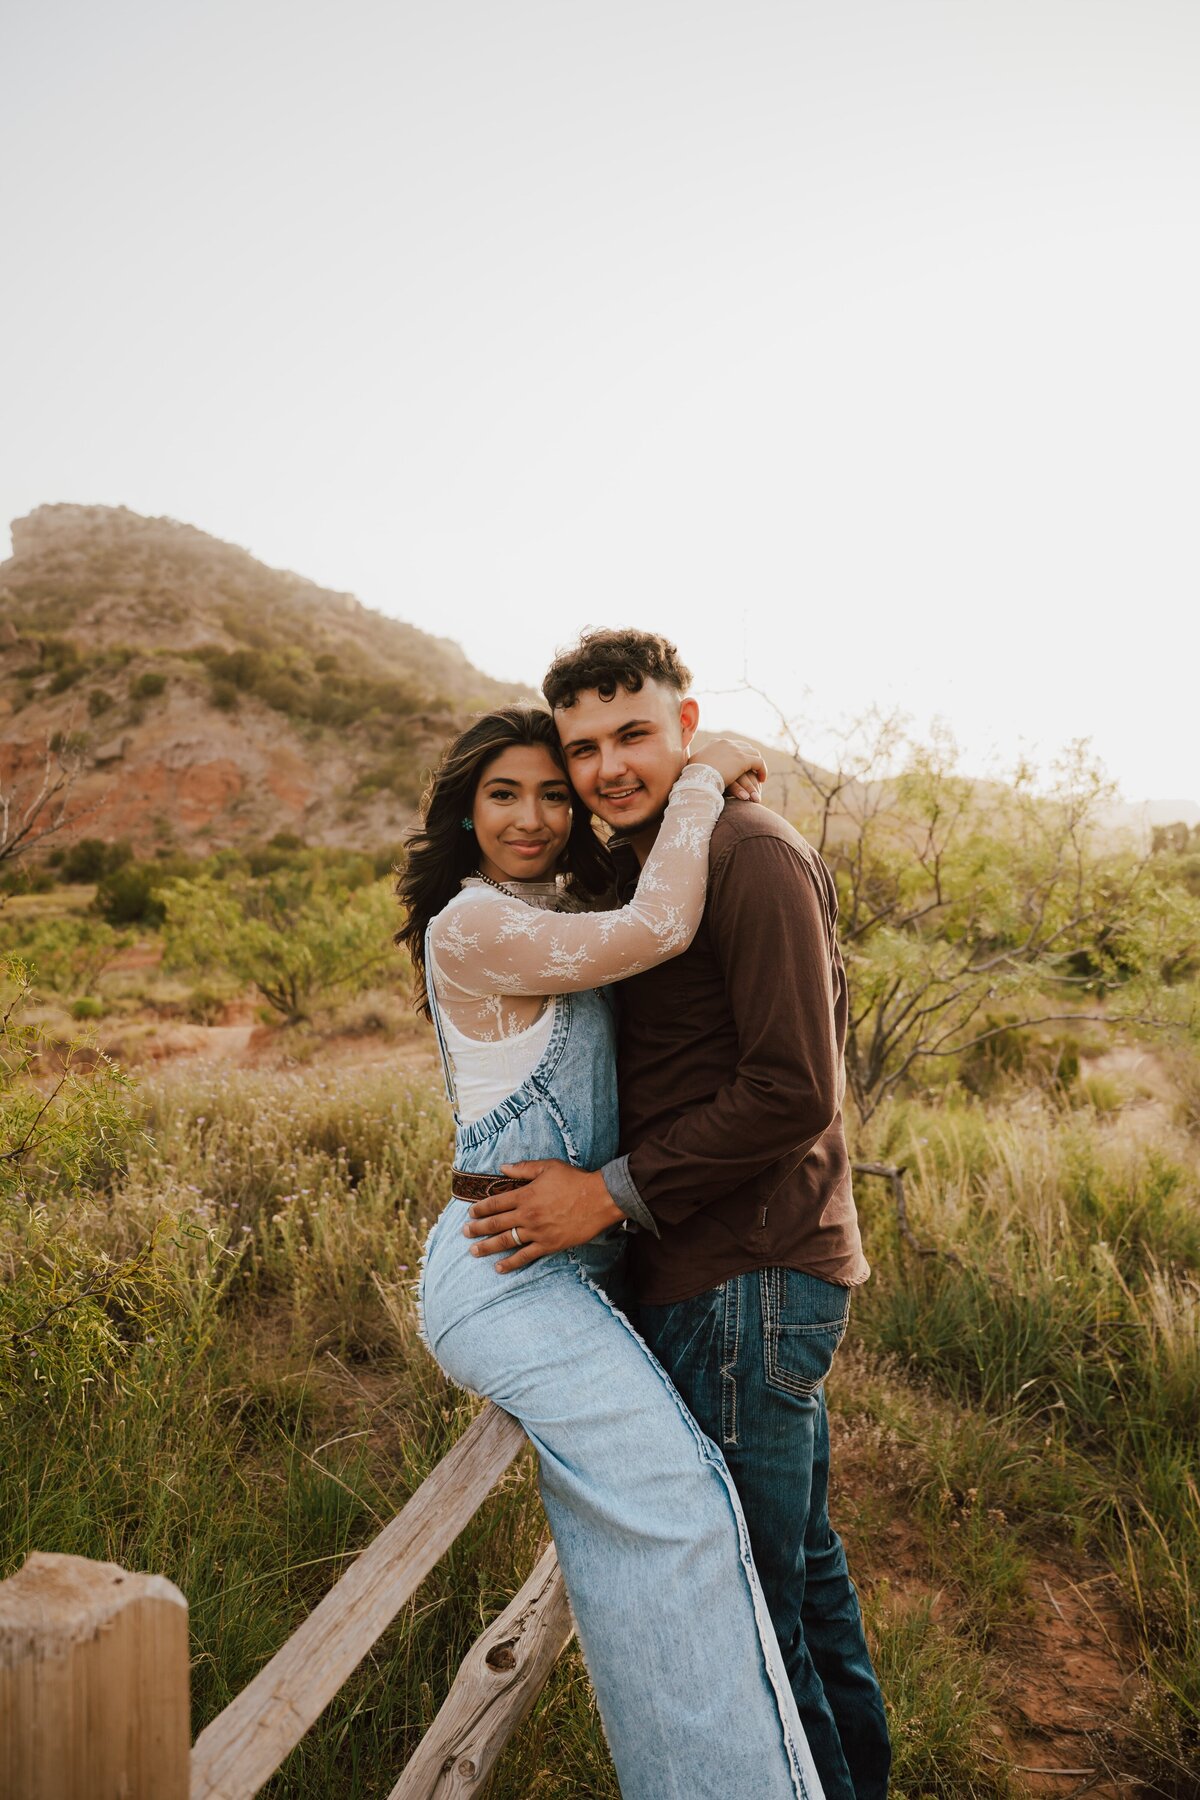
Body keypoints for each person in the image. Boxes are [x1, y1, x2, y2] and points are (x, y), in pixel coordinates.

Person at [463, 632, 892, 1800]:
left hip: (746, 1278)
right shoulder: (660, 864)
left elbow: (794, 1086)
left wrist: (604, 1193)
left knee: (750, 1612)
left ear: (684, 724)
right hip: (715, 1273)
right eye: (583, 748)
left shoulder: (747, 854)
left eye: (635, 735)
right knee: (796, 1582)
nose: (607, 768)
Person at [396, 704, 825, 1800]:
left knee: (697, 1509)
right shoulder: (473, 924)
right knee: (678, 1508)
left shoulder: (566, 903)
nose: (536, 816)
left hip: (583, 1264)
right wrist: (701, 776)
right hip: (505, 1269)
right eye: (505, 794)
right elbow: (659, 929)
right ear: (464, 811)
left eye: (553, 790)